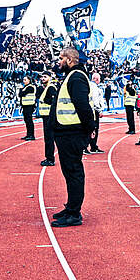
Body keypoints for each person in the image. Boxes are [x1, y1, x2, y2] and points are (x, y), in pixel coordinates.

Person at [50, 46, 97, 228]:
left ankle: (74, 214)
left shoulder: (76, 77)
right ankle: (70, 207)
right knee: (69, 173)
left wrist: (90, 129)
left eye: (61, 58)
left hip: (72, 132)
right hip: (66, 131)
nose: (58, 61)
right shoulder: (72, 76)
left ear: (70, 60)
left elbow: (83, 106)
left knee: (73, 172)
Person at [39, 72, 58, 166]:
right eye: (42, 77)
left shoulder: (51, 88)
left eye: (45, 77)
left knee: (49, 138)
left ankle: (50, 159)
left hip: (49, 116)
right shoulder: (46, 88)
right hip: (46, 116)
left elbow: (53, 101)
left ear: (50, 78)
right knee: (48, 138)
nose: (42, 78)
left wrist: (44, 100)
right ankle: (49, 158)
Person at [19, 75, 38, 140]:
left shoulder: (30, 87)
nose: (23, 81)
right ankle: (28, 134)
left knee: (29, 121)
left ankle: (31, 135)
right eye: (23, 80)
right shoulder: (26, 87)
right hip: (25, 105)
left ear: (29, 80)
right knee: (27, 120)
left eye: (25, 80)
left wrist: (21, 89)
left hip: (29, 105)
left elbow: (21, 94)